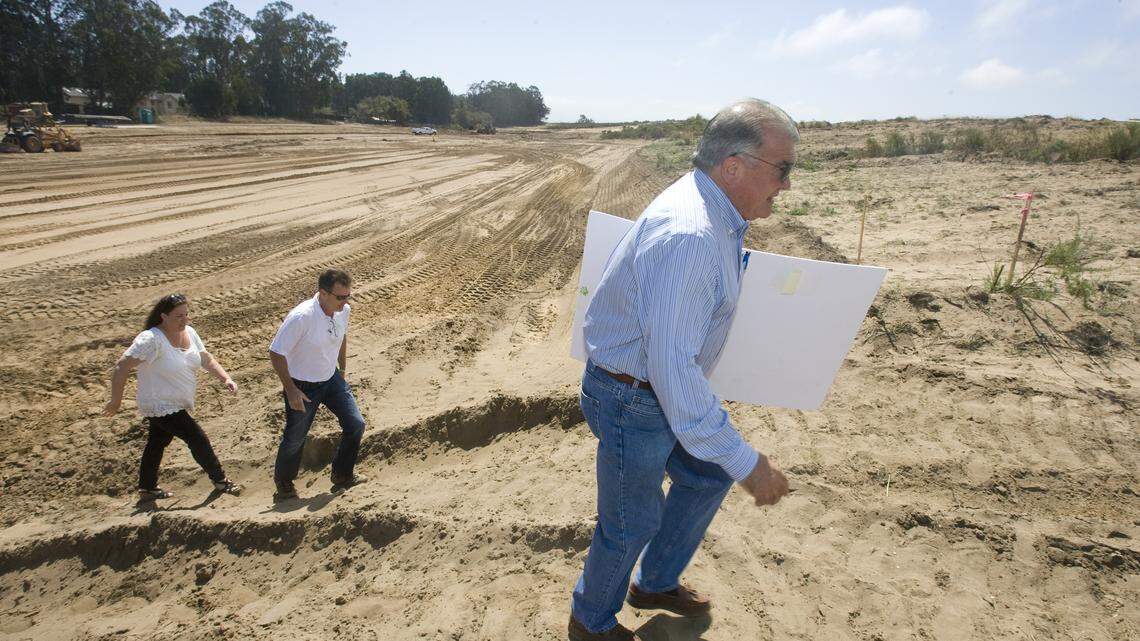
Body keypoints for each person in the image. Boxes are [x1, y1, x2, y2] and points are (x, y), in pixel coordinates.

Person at [568, 99, 795, 641]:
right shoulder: (692, 237)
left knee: (706, 474)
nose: (786, 185)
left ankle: (654, 582)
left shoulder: (710, 206)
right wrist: (749, 461)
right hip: (633, 398)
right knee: (631, 523)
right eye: (782, 169)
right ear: (734, 166)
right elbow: (674, 374)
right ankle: (590, 623)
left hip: (647, 389)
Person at [103, 293, 243, 501]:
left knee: (157, 441)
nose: (184, 320)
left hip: (176, 401)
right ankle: (220, 481)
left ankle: (147, 488)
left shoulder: (190, 333)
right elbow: (122, 366)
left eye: (186, 314)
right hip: (159, 403)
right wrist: (116, 401)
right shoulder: (151, 339)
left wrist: (226, 378)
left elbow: (205, 359)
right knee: (197, 438)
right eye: (178, 316)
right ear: (163, 317)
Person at [269, 269, 366, 501]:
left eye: (348, 296)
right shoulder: (302, 317)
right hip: (303, 385)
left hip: (330, 378)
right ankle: (284, 483)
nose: (345, 302)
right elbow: (276, 352)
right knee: (295, 437)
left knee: (356, 424)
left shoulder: (343, 311)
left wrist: (341, 370)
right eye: (340, 297)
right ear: (323, 293)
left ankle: (342, 475)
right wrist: (291, 389)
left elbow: (342, 337)